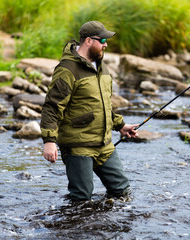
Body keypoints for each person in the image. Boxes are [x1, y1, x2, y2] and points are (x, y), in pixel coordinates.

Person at [40, 21, 138, 201]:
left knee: (122, 191)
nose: (106, 44)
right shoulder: (67, 69)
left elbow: (103, 104)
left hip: (104, 144)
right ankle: (74, 228)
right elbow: (52, 107)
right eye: (102, 40)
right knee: (82, 197)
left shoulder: (102, 66)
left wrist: (121, 125)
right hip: (78, 146)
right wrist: (49, 141)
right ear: (88, 41)